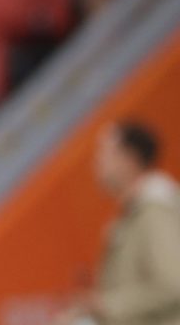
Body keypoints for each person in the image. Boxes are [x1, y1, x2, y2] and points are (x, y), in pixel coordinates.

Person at [58, 121, 180, 325]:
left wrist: (105, 305)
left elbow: (174, 283)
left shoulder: (155, 212)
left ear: (129, 159)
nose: (97, 163)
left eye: (105, 153)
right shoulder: (137, 214)